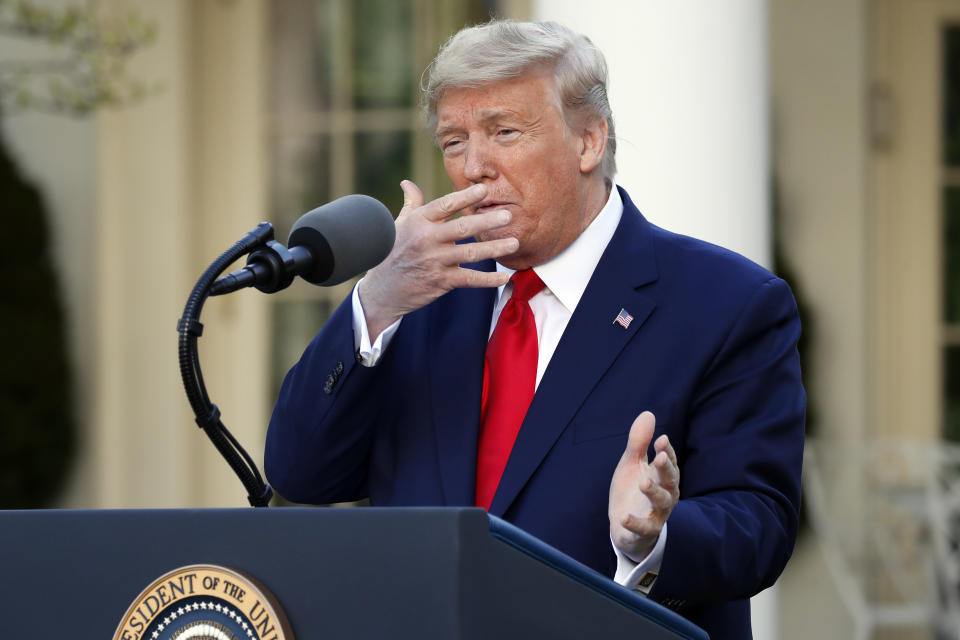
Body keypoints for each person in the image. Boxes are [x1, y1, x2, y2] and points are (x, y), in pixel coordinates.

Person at [265, 19, 804, 640]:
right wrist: (376, 303)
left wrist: (654, 535)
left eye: (504, 132)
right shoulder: (418, 294)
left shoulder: (727, 303)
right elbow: (301, 472)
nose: (473, 167)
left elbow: (759, 525)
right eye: (453, 140)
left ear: (588, 141)